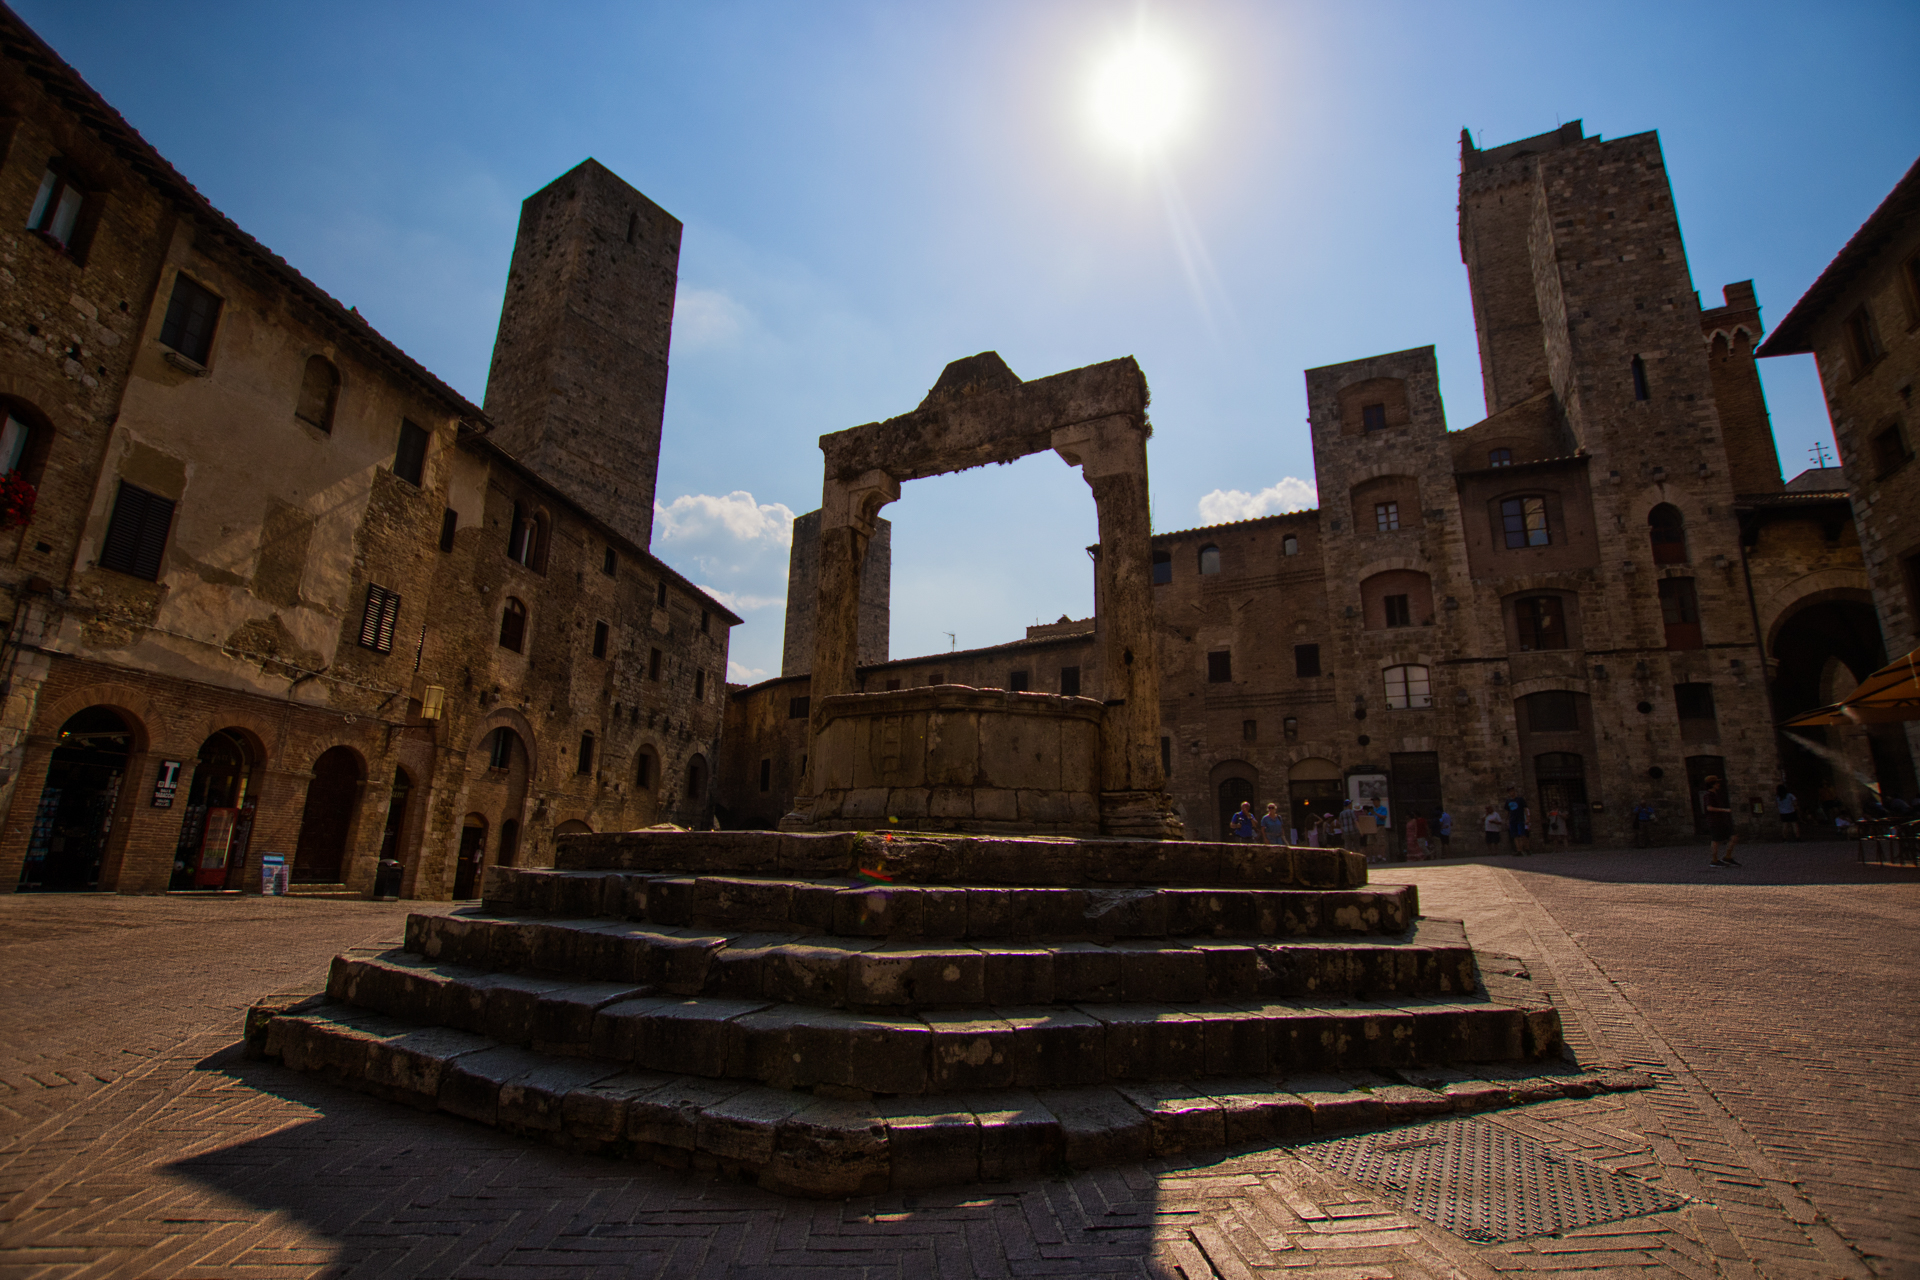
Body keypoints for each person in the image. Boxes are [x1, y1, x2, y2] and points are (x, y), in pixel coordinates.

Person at [1703, 774, 1740, 867]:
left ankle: (1728, 856)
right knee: (1716, 840)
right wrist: (1724, 810)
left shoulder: (1716, 794)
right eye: (1716, 783)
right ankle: (1714, 860)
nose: (1718, 784)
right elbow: (1709, 808)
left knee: (1733, 836)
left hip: (1721, 820)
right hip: (1714, 821)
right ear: (1712, 784)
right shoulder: (1708, 795)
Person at [1504, 788, 1531, 856]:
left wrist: (1527, 818)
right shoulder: (1508, 801)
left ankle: (1527, 848)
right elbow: (1507, 811)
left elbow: (1525, 809)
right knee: (1515, 836)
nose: (1511, 793)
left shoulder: (1520, 799)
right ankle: (1519, 850)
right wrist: (1506, 820)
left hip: (1520, 819)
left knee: (1522, 835)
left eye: (1512, 791)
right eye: (1510, 792)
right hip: (1512, 820)